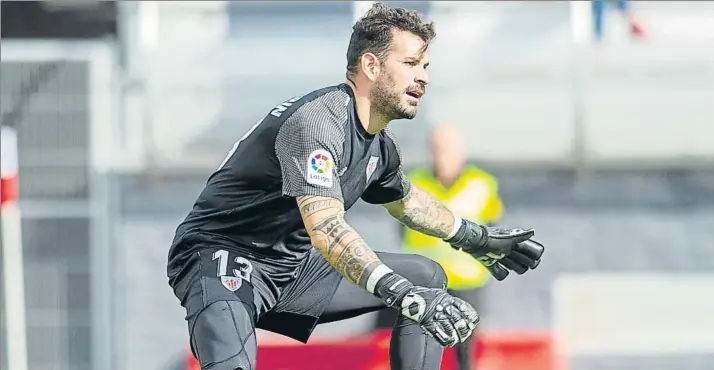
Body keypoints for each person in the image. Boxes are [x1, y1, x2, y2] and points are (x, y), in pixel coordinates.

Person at [166, 3, 544, 370]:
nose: (424, 76)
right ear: (371, 65)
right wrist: (401, 294)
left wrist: (474, 238)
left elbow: (408, 203)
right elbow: (328, 232)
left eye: (425, 65)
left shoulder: (379, 145)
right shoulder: (317, 124)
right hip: (222, 259)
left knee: (427, 278)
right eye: (411, 63)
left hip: (289, 269)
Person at [406, 124, 505, 370]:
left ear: (462, 152)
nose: (442, 156)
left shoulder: (482, 184)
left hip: (468, 281)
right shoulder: (414, 183)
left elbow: (493, 229)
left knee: (464, 350)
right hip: (426, 283)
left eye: (448, 150)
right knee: (422, 349)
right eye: (437, 149)